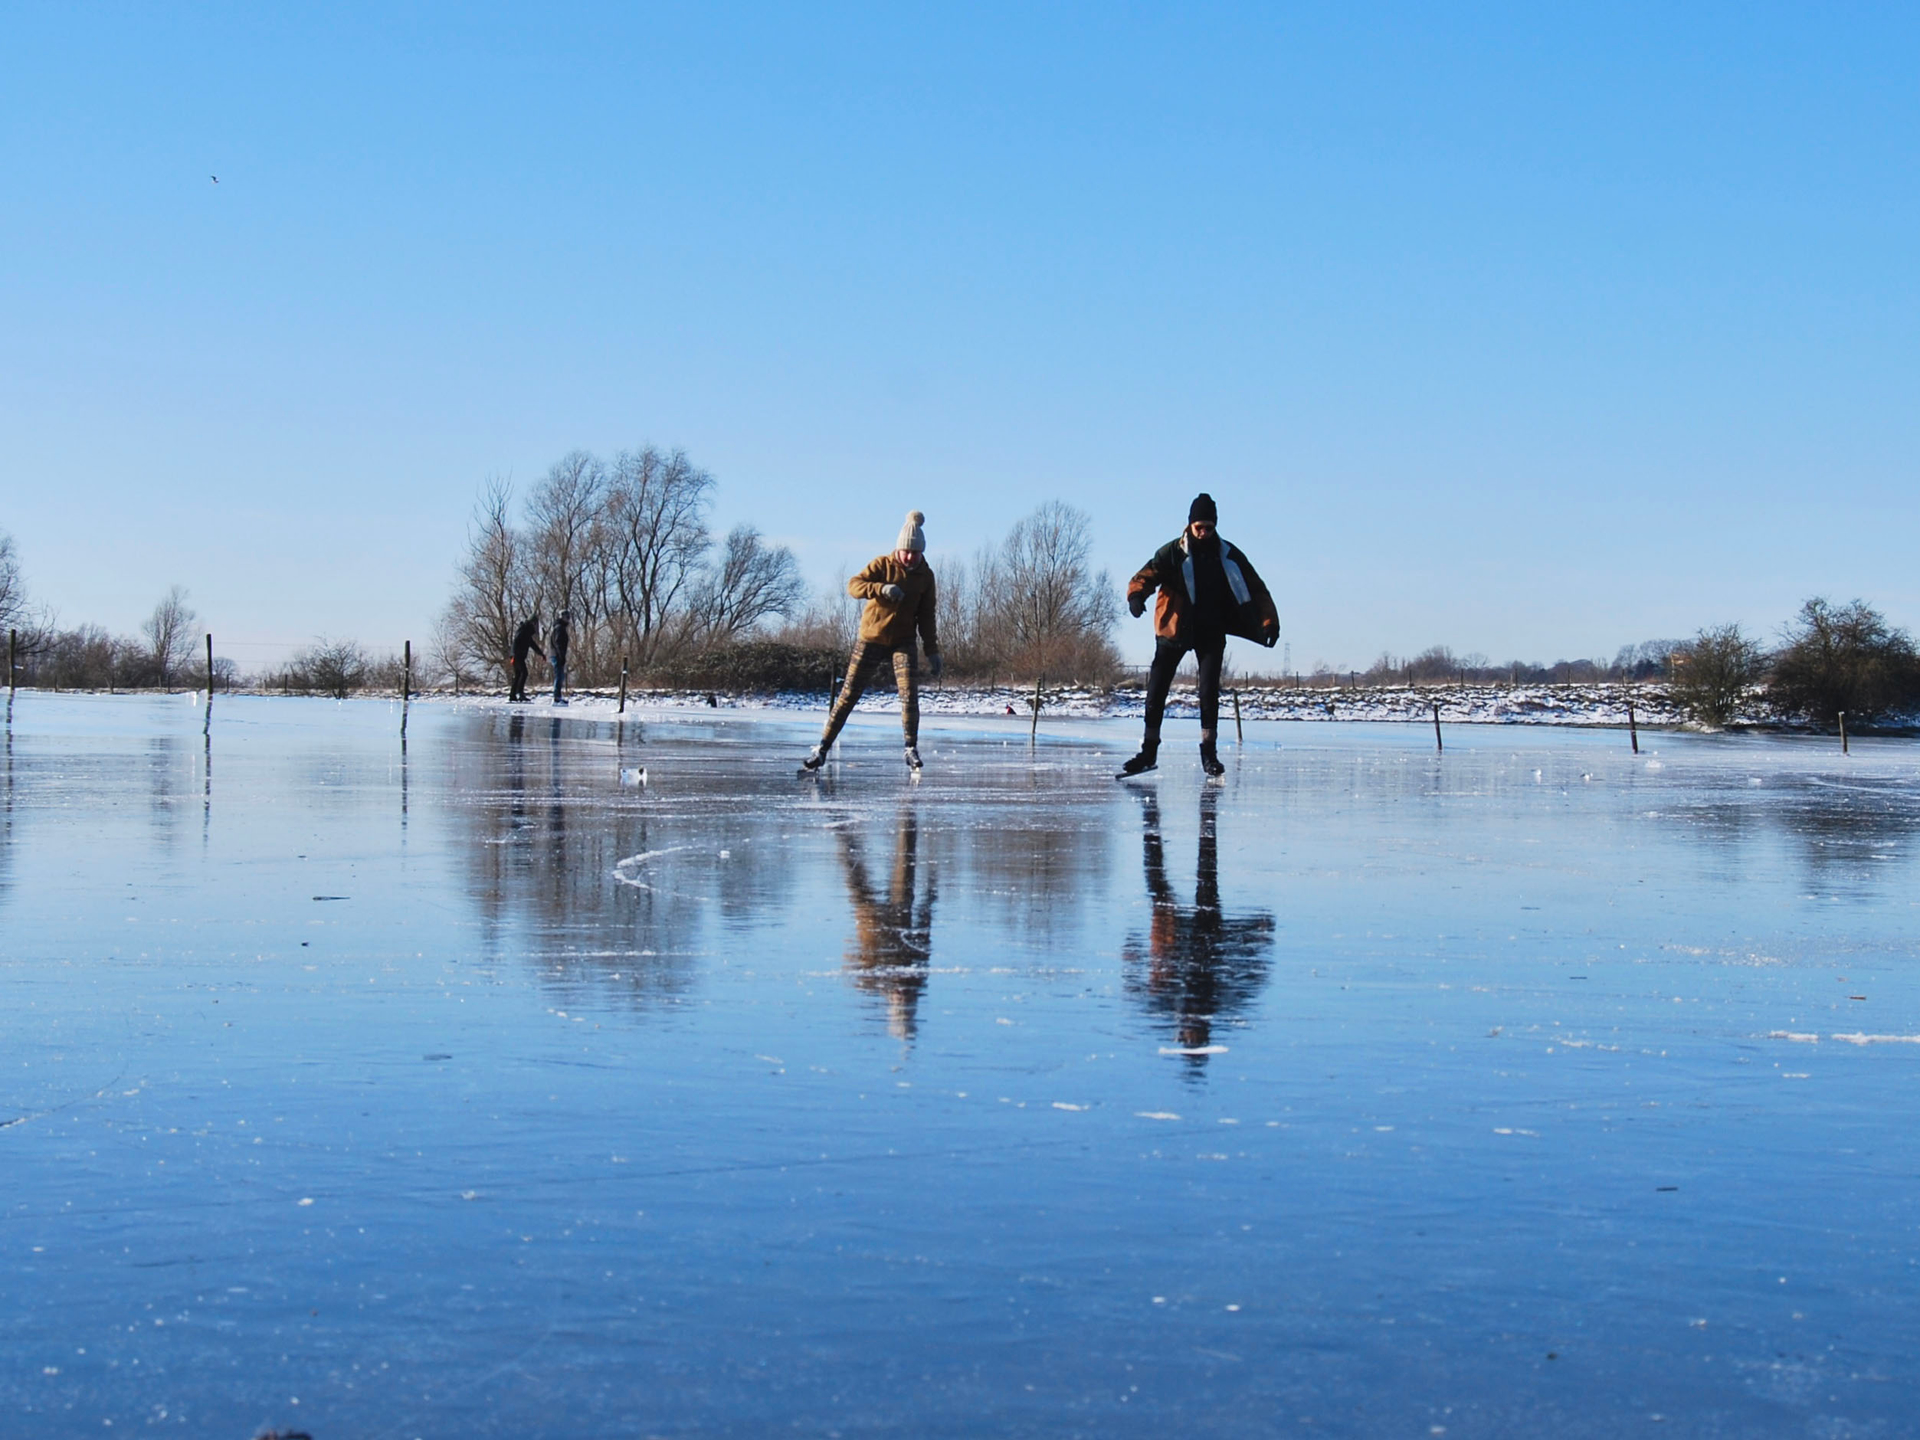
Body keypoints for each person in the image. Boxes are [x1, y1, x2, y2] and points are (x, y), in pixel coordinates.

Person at [1119, 493, 1277, 778]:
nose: (1204, 532)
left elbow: (1256, 588)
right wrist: (1137, 596)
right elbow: (1145, 575)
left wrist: (1269, 622)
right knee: (1156, 690)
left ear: (1215, 526)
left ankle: (1209, 753)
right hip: (1174, 628)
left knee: (1208, 693)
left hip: (1211, 630)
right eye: (1199, 527)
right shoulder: (1173, 552)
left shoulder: (1228, 554)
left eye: (1209, 527)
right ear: (1189, 525)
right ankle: (1149, 751)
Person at [802, 510, 943, 772]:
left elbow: (927, 616)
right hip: (871, 639)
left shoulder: (926, 577)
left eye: (915, 553)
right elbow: (854, 585)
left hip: (903, 642)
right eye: (906, 552)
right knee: (848, 695)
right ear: (898, 549)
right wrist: (879, 588)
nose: (910, 557)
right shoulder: (881, 565)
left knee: (909, 695)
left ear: (922, 552)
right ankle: (821, 749)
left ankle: (910, 748)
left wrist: (932, 650)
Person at [509, 613, 545, 703]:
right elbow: (516, 642)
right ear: (531, 622)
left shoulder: (527, 632)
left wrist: (541, 654)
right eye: (534, 622)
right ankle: (520, 693)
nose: (535, 625)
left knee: (518, 675)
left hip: (518, 656)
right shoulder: (523, 630)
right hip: (517, 656)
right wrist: (513, 655)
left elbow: (532, 645)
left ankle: (513, 695)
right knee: (524, 673)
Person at [549, 610, 572, 705]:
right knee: (559, 676)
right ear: (562, 617)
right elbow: (558, 642)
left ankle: (558, 696)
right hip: (556, 655)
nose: (568, 619)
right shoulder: (559, 628)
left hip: (556, 654)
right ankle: (557, 697)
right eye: (567, 617)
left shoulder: (560, 627)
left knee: (560, 676)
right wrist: (561, 656)